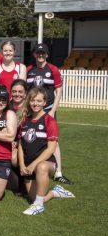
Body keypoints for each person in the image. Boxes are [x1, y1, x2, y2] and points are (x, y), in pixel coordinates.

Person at [18, 87, 75, 215]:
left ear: (44, 102)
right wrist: (22, 164)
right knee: (34, 197)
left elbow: (51, 149)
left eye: (39, 101)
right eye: (33, 100)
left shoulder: (50, 121)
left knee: (41, 167)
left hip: (47, 164)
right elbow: (21, 145)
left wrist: (34, 164)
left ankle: (39, 206)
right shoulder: (25, 120)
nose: (35, 104)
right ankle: (56, 192)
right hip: (29, 166)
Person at [26, 43, 72, 185]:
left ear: (47, 54)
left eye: (43, 53)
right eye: (38, 53)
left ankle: (58, 173)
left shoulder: (53, 69)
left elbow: (59, 91)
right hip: (32, 110)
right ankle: (29, 166)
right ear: (34, 54)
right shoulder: (29, 70)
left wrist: (52, 110)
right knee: (31, 137)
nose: (40, 55)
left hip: (48, 110)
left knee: (53, 140)